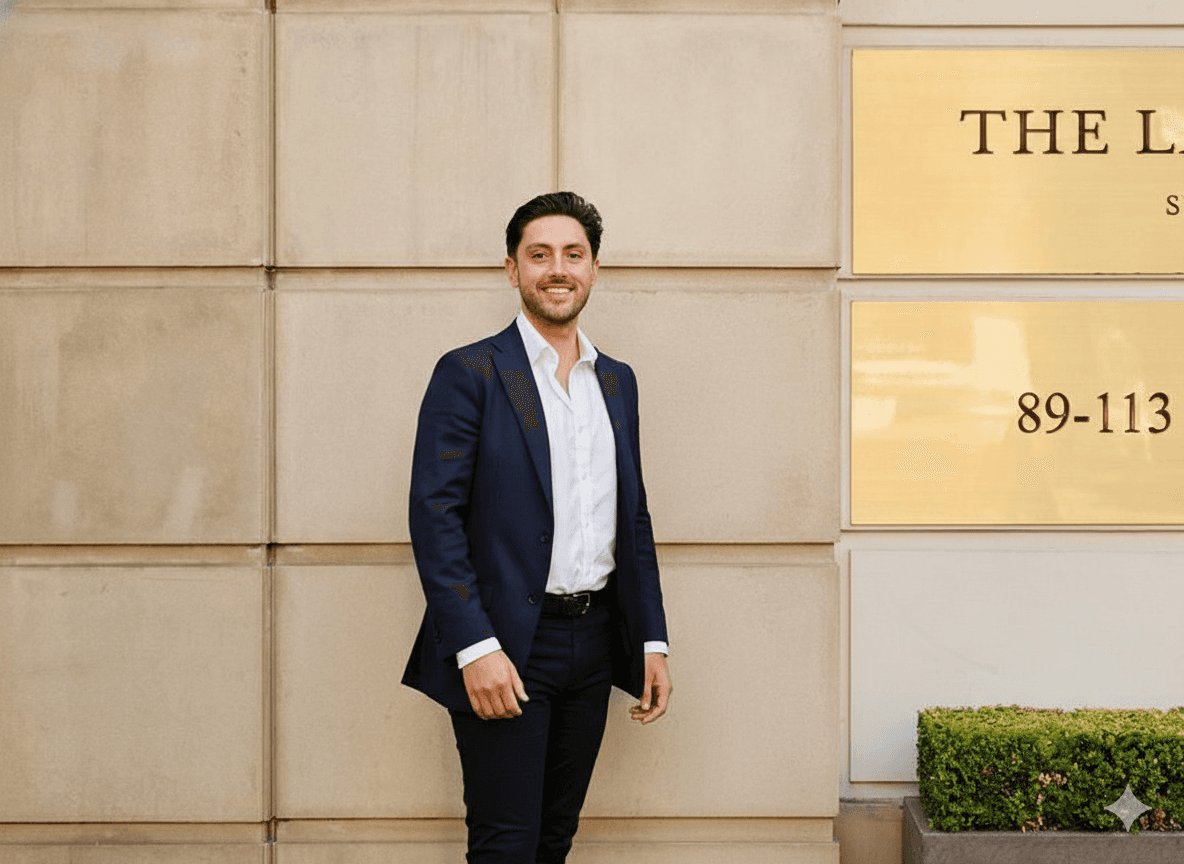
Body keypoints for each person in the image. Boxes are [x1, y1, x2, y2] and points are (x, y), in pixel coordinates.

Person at [402, 191, 672, 863]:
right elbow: (434, 517)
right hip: (508, 645)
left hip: (596, 642)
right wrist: (474, 647)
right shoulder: (475, 373)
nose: (558, 269)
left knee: (554, 839)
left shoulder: (615, 382)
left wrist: (652, 638)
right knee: (506, 845)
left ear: (594, 269)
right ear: (512, 269)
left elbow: (630, 517)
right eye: (540, 255)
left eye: (573, 255)